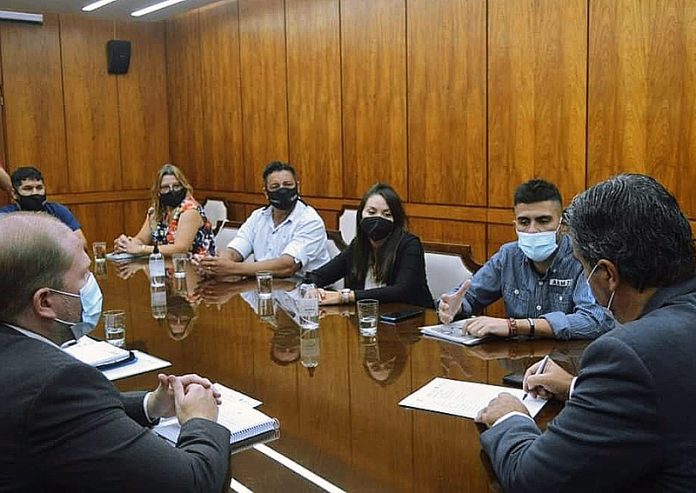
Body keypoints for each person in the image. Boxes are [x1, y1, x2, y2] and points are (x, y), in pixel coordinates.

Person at [475, 174, 696, 492]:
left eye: (582, 266)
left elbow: (533, 481)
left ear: (607, 274)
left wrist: (511, 418)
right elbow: (669, 395)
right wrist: (578, 387)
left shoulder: (627, 354)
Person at [0, 212, 231, 492]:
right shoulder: (56, 385)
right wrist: (200, 420)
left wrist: (150, 405)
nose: (92, 284)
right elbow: (195, 484)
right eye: (84, 275)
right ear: (45, 302)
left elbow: (73, 417)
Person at [438, 179, 611, 340]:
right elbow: (468, 296)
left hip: (566, 359)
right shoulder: (508, 255)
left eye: (543, 221)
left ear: (562, 225)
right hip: (516, 357)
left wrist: (516, 326)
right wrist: (454, 307)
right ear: (515, 225)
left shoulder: (580, 257)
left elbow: (594, 320)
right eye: (524, 222)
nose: (532, 230)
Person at [304, 183, 433, 308]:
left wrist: (345, 296)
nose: (378, 219)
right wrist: (313, 289)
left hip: (414, 317)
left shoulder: (410, 245)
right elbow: (318, 276)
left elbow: (402, 290)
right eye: (371, 212)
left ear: (396, 220)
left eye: (387, 214)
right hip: (368, 318)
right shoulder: (358, 246)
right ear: (361, 215)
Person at [197, 161, 329, 278]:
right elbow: (235, 252)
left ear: (297, 187)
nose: (282, 190)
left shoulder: (310, 221)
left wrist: (232, 268)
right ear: (266, 193)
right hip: (264, 287)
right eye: (275, 187)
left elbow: (287, 266)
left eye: (288, 185)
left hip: (305, 289)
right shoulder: (258, 217)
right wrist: (216, 264)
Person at [113, 163, 215, 256]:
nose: (172, 191)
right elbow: (141, 239)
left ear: (184, 187)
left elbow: (181, 248)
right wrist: (126, 244)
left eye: (176, 186)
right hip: (167, 265)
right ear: (158, 191)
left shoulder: (190, 210)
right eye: (165, 187)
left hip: (196, 266)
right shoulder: (156, 212)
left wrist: (141, 249)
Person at [0, 166, 87, 246]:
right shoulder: (5, 215)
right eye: (28, 189)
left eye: (39, 188)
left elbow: (81, 243)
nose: (35, 193)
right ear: (14, 194)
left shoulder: (58, 210)